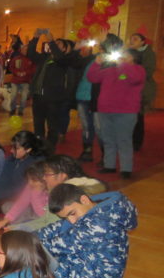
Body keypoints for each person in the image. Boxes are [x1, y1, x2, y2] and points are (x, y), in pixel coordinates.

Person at [38, 184, 137, 278]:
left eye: (72, 214)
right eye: (66, 217)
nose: (72, 221)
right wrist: (33, 235)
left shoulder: (100, 224)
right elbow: (60, 226)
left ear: (84, 200)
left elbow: (54, 246)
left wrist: (24, 242)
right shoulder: (100, 208)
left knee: (35, 262)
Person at [88, 35, 145, 178]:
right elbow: (92, 77)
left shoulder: (138, 70)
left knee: (124, 140)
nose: (122, 56)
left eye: (126, 55)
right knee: (108, 139)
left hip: (126, 111)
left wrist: (122, 64)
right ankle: (109, 165)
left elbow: (134, 78)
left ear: (134, 58)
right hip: (105, 110)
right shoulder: (110, 70)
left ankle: (126, 169)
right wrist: (96, 63)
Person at [27, 30, 81, 148]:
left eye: (58, 44)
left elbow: (60, 58)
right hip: (38, 97)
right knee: (38, 125)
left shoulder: (65, 60)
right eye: (54, 43)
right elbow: (30, 54)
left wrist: (51, 41)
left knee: (52, 127)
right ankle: (39, 148)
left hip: (53, 98)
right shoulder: (45, 58)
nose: (54, 45)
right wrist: (35, 38)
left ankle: (49, 149)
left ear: (64, 49)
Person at [129, 32, 157, 151]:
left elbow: (148, 71)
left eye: (135, 39)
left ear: (142, 42)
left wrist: (133, 67)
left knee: (138, 117)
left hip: (142, 89)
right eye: (131, 39)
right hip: (128, 88)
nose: (132, 41)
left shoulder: (149, 53)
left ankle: (136, 142)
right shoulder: (128, 52)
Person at [4, 36, 35, 117]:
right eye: (24, 49)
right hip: (15, 80)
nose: (25, 51)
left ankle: (21, 110)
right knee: (13, 95)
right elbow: (11, 67)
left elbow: (33, 70)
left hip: (26, 81)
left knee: (24, 97)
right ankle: (13, 109)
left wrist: (25, 73)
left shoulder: (31, 59)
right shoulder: (16, 58)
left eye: (27, 50)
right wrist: (17, 73)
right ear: (21, 50)